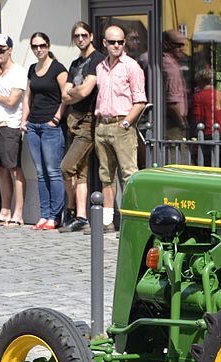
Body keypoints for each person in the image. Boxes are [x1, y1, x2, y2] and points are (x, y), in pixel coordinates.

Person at [94, 25, 146, 233]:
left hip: (122, 125)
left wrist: (126, 123)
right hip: (102, 126)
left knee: (129, 176)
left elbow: (140, 101)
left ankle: (130, 222)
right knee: (106, 176)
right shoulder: (100, 67)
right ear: (104, 43)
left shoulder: (132, 67)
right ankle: (107, 221)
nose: (117, 45)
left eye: (120, 42)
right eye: (112, 42)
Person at [59, 21, 104, 233]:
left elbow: (86, 91)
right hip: (73, 120)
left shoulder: (97, 59)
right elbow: (64, 95)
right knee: (81, 173)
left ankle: (69, 209)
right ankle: (81, 216)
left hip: (87, 121)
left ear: (92, 36)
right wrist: (76, 91)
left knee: (66, 167)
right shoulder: (76, 63)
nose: (80, 39)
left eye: (84, 35)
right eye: (76, 36)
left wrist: (74, 91)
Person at [22, 32, 68, 230]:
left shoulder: (58, 68)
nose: (38, 49)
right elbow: (27, 97)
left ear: (48, 46)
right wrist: (24, 120)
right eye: (34, 46)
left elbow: (66, 96)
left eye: (42, 45)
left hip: (50, 126)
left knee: (53, 172)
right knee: (40, 173)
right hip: (33, 126)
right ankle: (44, 214)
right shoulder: (32, 68)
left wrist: (56, 118)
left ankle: (55, 216)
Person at [0, 34, 27, 227]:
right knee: (0, 170)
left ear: (10, 50)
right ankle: (4, 210)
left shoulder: (18, 72)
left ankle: (18, 213)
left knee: (14, 170)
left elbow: (11, 101)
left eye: (1, 50)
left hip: (10, 125)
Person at [191, 67, 221, 166]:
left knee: (208, 163)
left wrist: (193, 133)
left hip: (208, 133)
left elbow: (197, 117)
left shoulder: (198, 96)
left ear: (200, 81)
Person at [162, 29, 188, 141]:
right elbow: (171, 102)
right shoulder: (170, 66)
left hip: (171, 120)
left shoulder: (172, 63)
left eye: (183, 45)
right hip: (173, 123)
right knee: (175, 156)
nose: (181, 49)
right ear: (167, 44)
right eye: (178, 45)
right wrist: (182, 124)